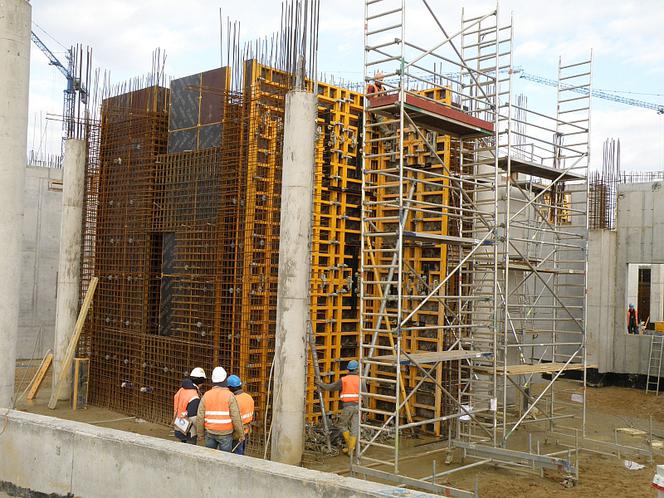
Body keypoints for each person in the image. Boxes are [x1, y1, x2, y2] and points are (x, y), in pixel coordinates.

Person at [316, 359, 360, 455]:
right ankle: (351, 450)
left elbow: (331, 387)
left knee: (342, 425)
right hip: (358, 407)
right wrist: (365, 409)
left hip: (348, 407)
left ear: (348, 370)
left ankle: (349, 447)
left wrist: (320, 384)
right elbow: (364, 395)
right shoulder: (361, 380)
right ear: (357, 369)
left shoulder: (344, 380)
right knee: (354, 428)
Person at [196, 366, 244, 452]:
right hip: (225, 433)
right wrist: (241, 434)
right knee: (225, 459)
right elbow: (236, 417)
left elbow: (200, 416)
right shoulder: (230, 395)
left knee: (210, 458)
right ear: (225, 379)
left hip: (210, 432)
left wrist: (200, 434)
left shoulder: (206, 395)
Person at [172, 367, 206, 444]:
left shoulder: (181, 390)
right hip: (189, 432)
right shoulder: (194, 396)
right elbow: (194, 418)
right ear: (201, 381)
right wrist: (200, 431)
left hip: (178, 426)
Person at [227, 375, 254, 455]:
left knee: (236, 453)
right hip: (247, 429)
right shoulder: (249, 397)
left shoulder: (234, 400)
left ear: (231, 388)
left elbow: (233, 417)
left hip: (237, 431)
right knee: (241, 450)